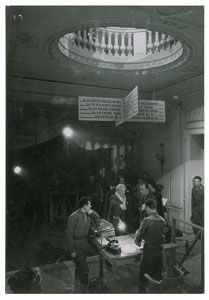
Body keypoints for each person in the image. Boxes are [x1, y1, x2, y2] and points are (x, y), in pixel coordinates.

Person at [66, 196, 100, 292]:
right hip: (76, 246)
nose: (91, 206)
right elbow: (69, 234)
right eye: (89, 204)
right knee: (85, 269)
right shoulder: (74, 216)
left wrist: (92, 212)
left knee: (80, 267)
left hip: (84, 245)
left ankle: (77, 285)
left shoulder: (88, 215)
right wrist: (72, 250)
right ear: (85, 206)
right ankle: (83, 291)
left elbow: (98, 221)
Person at [135, 198, 166, 293]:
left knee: (143, 270)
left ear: (148, 208)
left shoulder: (147, 220)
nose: (146, 211)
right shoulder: (162, 220)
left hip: (149, 250)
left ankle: (142, 290)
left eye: (146, 209)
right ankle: (157, 288)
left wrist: (137, 240)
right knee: (156, 272)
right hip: (160, 250)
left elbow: (139, 237)